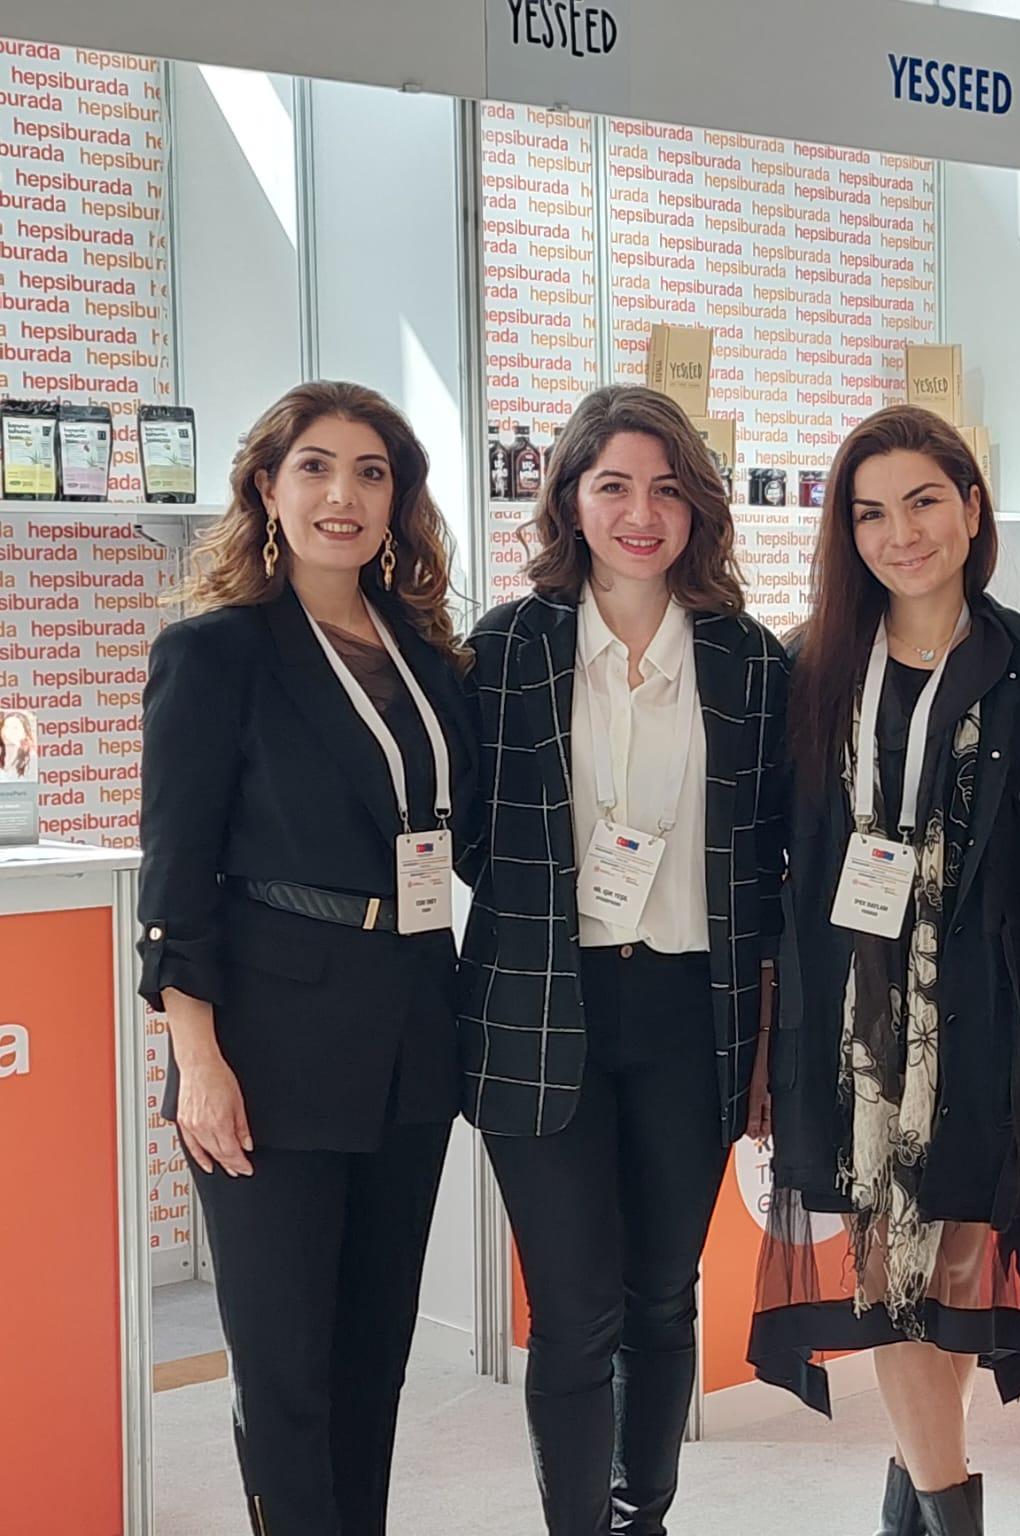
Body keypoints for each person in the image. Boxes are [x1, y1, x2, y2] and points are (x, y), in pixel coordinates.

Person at [139, 381, 475, 1535]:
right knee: (286, 1372)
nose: (344, 495)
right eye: (317, 468)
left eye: (371, 472)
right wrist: (197, 1061)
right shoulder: (213, 653)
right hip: (267, 1052)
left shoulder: (429, 657)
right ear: (267, 490)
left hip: (411, 1032)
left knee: (372, 1359)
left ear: (398, 498)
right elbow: (176, 872)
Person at [750, 405, 1020, 1536]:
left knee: (954, 1276)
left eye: (925, 502)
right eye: (871, 513)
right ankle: (951, 1513)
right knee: (886, 1275)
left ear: (972, 511)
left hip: (980, 1022)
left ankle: (915, 1504)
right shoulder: (807, 668)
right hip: (848, 1022)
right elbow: (769, 858)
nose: (901, 534)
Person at [458, 385, 787, 1535]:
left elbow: (770, 868)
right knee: (574, 1309)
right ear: (569, 501)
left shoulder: (750, 662)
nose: (640, 514)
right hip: (540, 1007)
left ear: (697, 508)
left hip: (690, 1012)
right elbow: (467, 834)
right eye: (612, 487)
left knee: (660, 1299)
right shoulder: (502, 650)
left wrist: (767, 1043)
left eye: (665, 489)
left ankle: (641, 1517)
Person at [0, 709, 35, 781]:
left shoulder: (32, 758)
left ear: (25, 732)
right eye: (6, 727)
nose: (8, 732)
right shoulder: (2, 751)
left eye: (15, 728)